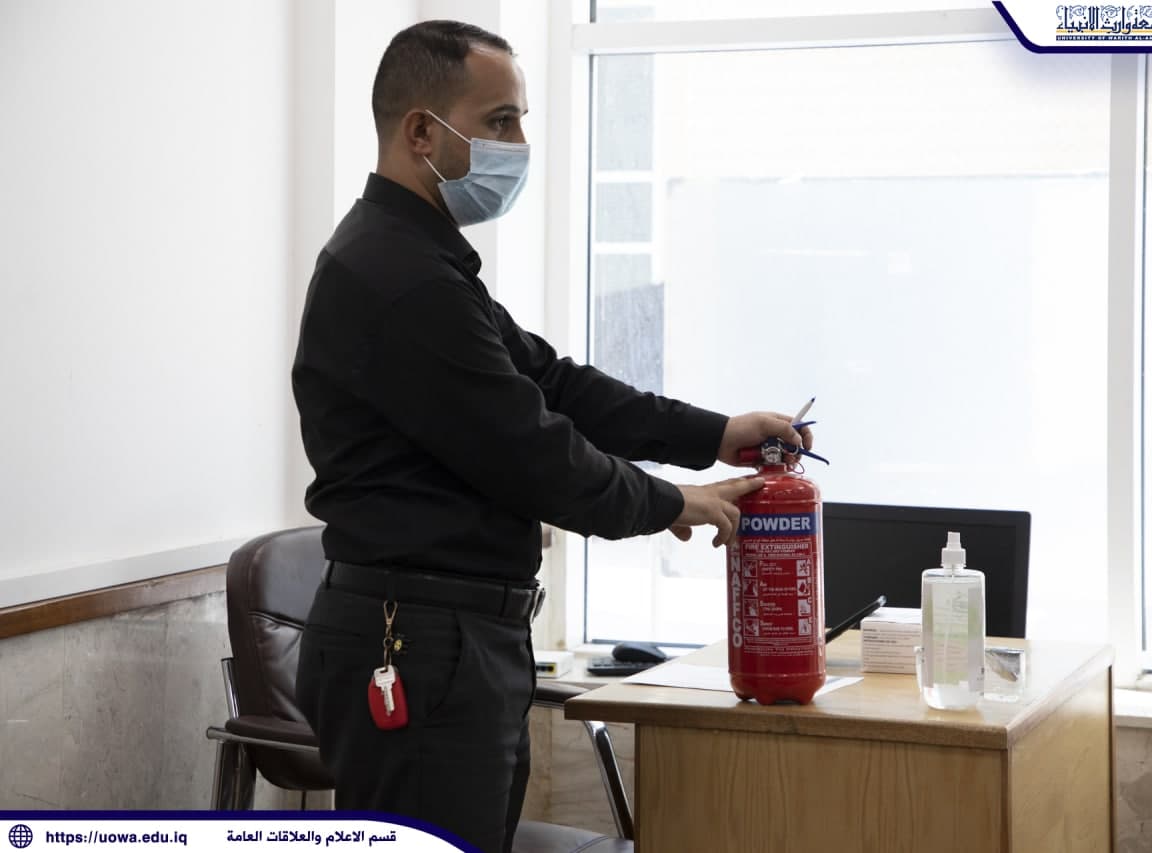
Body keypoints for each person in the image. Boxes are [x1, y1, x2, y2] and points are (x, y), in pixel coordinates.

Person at [291, 19, 813, 853]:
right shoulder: (398, 280)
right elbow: (533, 452)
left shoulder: (424, 261)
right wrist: (671, 501)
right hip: (419, 638)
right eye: (499, 121)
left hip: (457, 637)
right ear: (421, 131)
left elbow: (556, 383)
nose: (520, 146)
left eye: (521, 121)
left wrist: (714, 433)